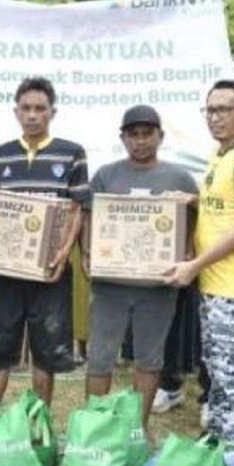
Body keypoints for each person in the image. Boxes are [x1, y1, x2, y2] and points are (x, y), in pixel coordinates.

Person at [165, 80, 234, 448]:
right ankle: (218, 439)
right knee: (217, 370)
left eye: (224, 110)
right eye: (210, 110)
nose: (215, 118)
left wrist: (195, 264)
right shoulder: (223, 155)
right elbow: (224, 208)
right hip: (215, 284)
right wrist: (192, 200)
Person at [83, 105, 197, 429]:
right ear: (123, 138)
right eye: (133, 134)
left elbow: (194, 222)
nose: (140, 141)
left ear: (160, 136)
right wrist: (88, 253)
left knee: (149, 358)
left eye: (147, 134)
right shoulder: (106, 174)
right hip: (110, 286)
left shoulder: (180, 177)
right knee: (100, 357)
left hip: (157, 287)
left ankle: (137, 431)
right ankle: (93, 428)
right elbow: (90, 216)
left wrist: (188, 253)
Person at [0, 77, 85, 413]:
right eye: (26, 108)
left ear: (52, 111)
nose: (33, 115)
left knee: (48, 350)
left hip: (50, 272)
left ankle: (41, 424)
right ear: (16, 112)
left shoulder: (72, 154)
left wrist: (63, 253)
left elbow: (78, 208)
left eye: (40, 108)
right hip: (5, 273)